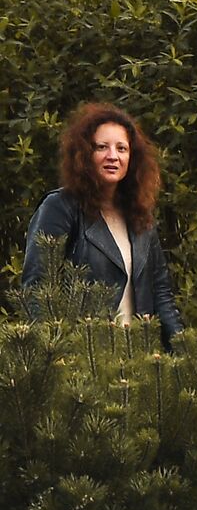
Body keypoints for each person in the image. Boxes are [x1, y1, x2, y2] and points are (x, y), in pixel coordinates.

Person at [22, 102, 183, 348]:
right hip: (83, 362)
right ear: (85, 154)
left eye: (122, 148)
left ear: (132, 157)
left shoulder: (141, 217)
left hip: (136, 364)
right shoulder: (60, 207)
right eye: (101, 147)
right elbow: (37, 290)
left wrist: (185, 355)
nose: (113, 156)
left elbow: (161, 296)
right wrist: (55, 357)